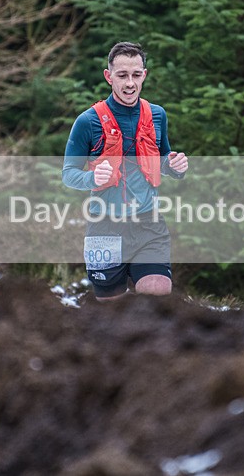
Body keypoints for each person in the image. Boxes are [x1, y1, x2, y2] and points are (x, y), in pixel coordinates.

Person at [62, 42, 188, 300]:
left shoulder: (157, 115)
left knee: (157, 297)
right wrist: (91, 178)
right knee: (111, 314)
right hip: (104, 226)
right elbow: (68, 173)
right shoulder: (88, 121)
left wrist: (175, 167)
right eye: (122, 75)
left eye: (136, 75)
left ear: (144, 74)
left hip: (149, 224)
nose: (130, 83)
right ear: (109, 77)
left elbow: (162, 158)